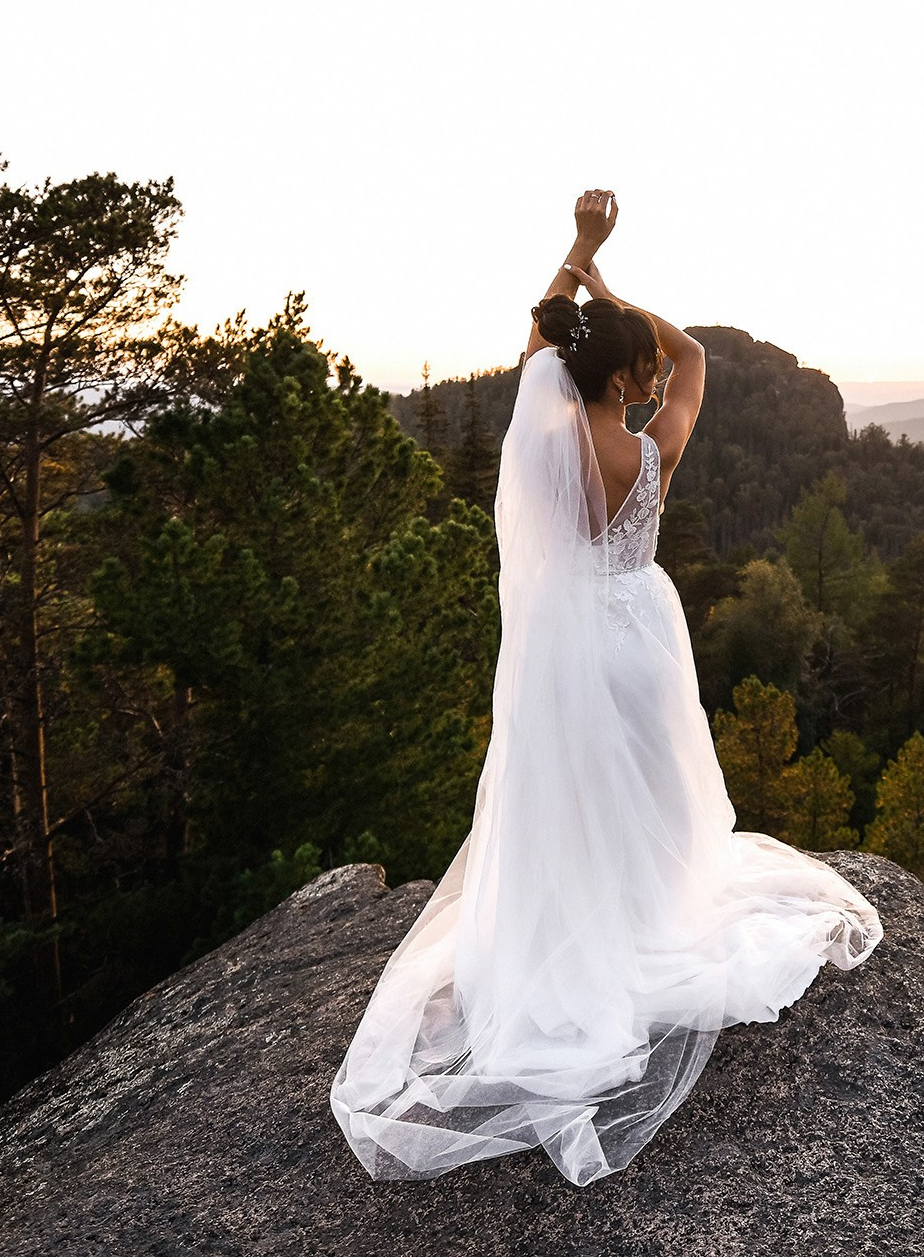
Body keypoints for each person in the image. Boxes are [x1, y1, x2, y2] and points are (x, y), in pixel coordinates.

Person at [332, 190, 881, 1186]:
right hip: (636, 637)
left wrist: (578, 257)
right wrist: (613, 286)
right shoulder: (648, 453)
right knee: (650, 785)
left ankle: (575, 939)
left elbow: (541, 335)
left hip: (559, 645)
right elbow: (697, 362)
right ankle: (645, 924)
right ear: (627, 376)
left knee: (565, 792)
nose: (656, 370)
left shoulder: (544, 436)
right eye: (641, 366)